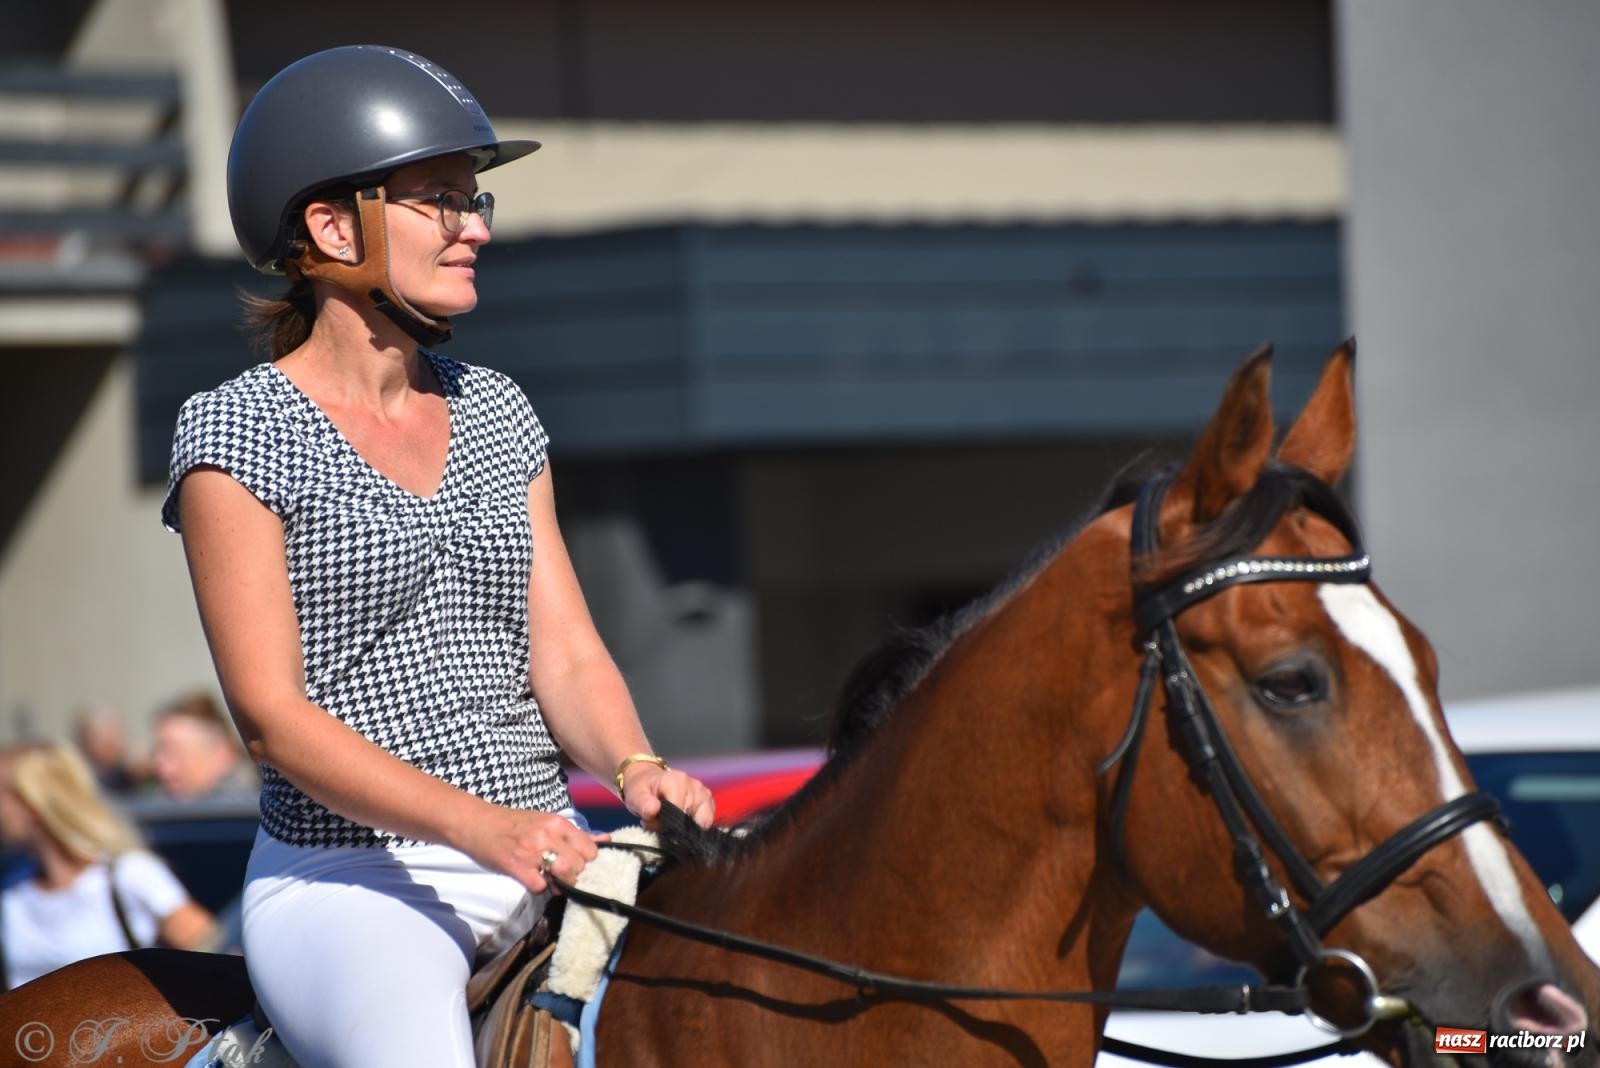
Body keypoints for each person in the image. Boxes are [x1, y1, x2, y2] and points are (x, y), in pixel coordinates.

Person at [161, 45, 715, 1068]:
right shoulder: (235, 434)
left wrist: (637, 770)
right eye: (438, 202)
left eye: (473, 201)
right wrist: (482, 829)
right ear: (331, 227)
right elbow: (273, 722)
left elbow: (567, 652)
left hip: (551, 846)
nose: (473, 229)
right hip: (356, 883)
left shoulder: (499, 408)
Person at [0, 742, 217, 990]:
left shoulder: (127, 874)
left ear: (30, 802)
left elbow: (213, 952)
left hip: (121, 1026)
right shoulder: (12, 890)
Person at [150, 691, 257, 800]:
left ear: (224, 755)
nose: (163, 768)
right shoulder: (149, 808)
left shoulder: (258, 811)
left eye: (177, 753)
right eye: (158, 753)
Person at [71, 701, 149, 793]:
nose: (118, 744)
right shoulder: (78, 778)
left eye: (119, 734)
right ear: (87, 741)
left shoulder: (128, 771)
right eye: (107, 740)